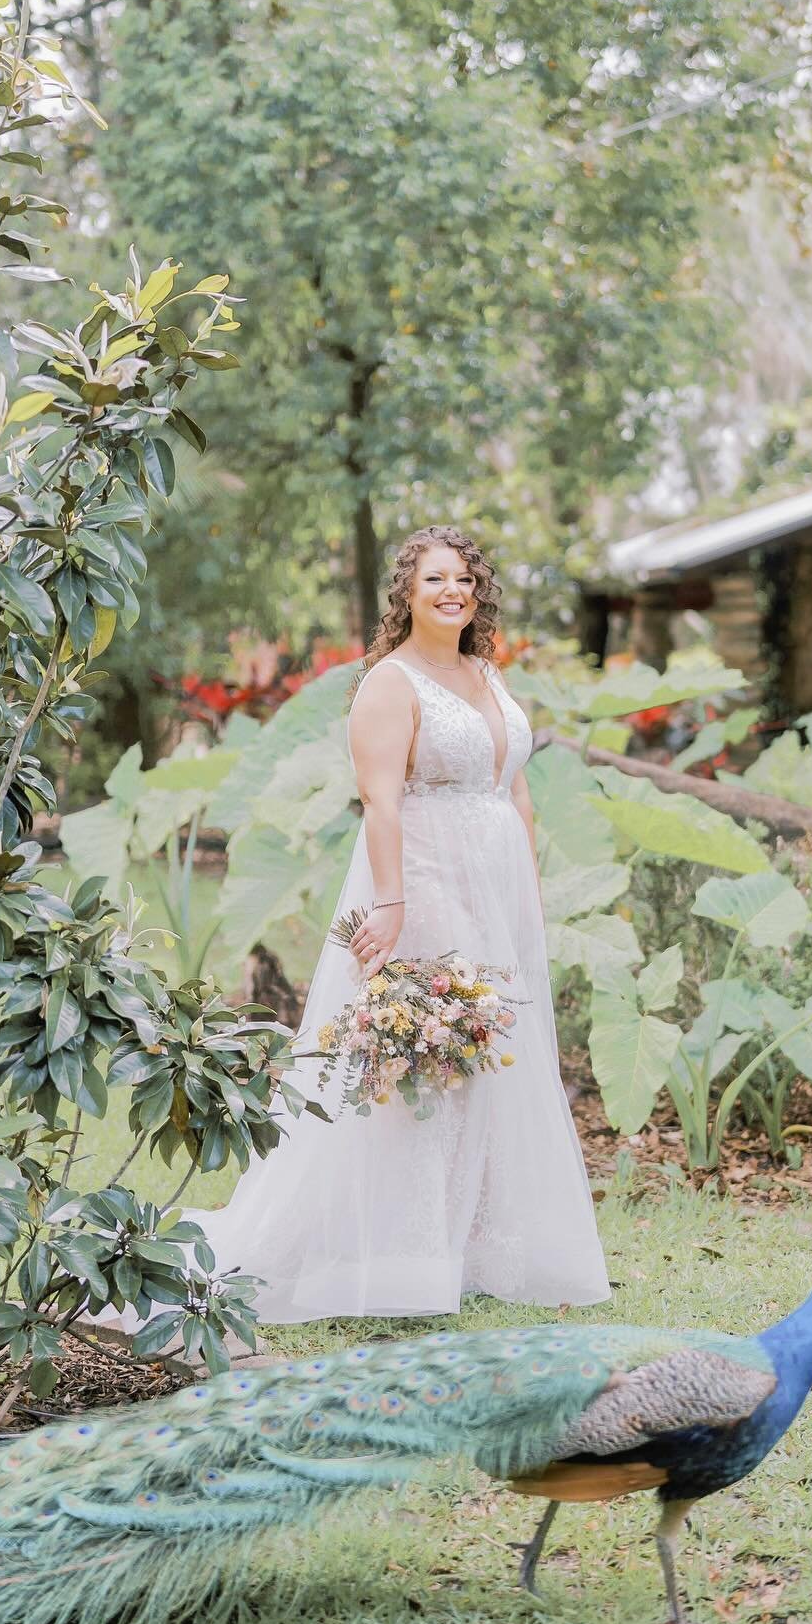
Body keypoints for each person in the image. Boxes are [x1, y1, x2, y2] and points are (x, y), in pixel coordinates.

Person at [183, 524, 611, 1322]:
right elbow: (382, 801)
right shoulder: (390, 681)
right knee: (421, 1055)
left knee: (492, 1055)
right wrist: (391, 904)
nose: (454, 591)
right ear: (407, 596)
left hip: (496, 888)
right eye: (435, 580)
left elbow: (513, 787)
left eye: (464, 579)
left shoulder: (486, 672)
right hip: (424, 878)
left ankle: (476, 1240)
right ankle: (403, 1250)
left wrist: (529, 892)